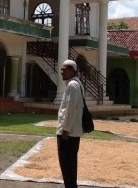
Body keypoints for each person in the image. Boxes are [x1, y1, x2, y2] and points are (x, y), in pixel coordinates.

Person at [57, 59, 84, 188]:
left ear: (73, 70)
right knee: (69, 166)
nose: (62, 72)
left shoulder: (73, 85)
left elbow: (71, 108)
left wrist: (65, 129)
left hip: (69, 133)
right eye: (61, 69)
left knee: (67, 166)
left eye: (65, 69)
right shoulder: (75, 84)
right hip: (72, 132)